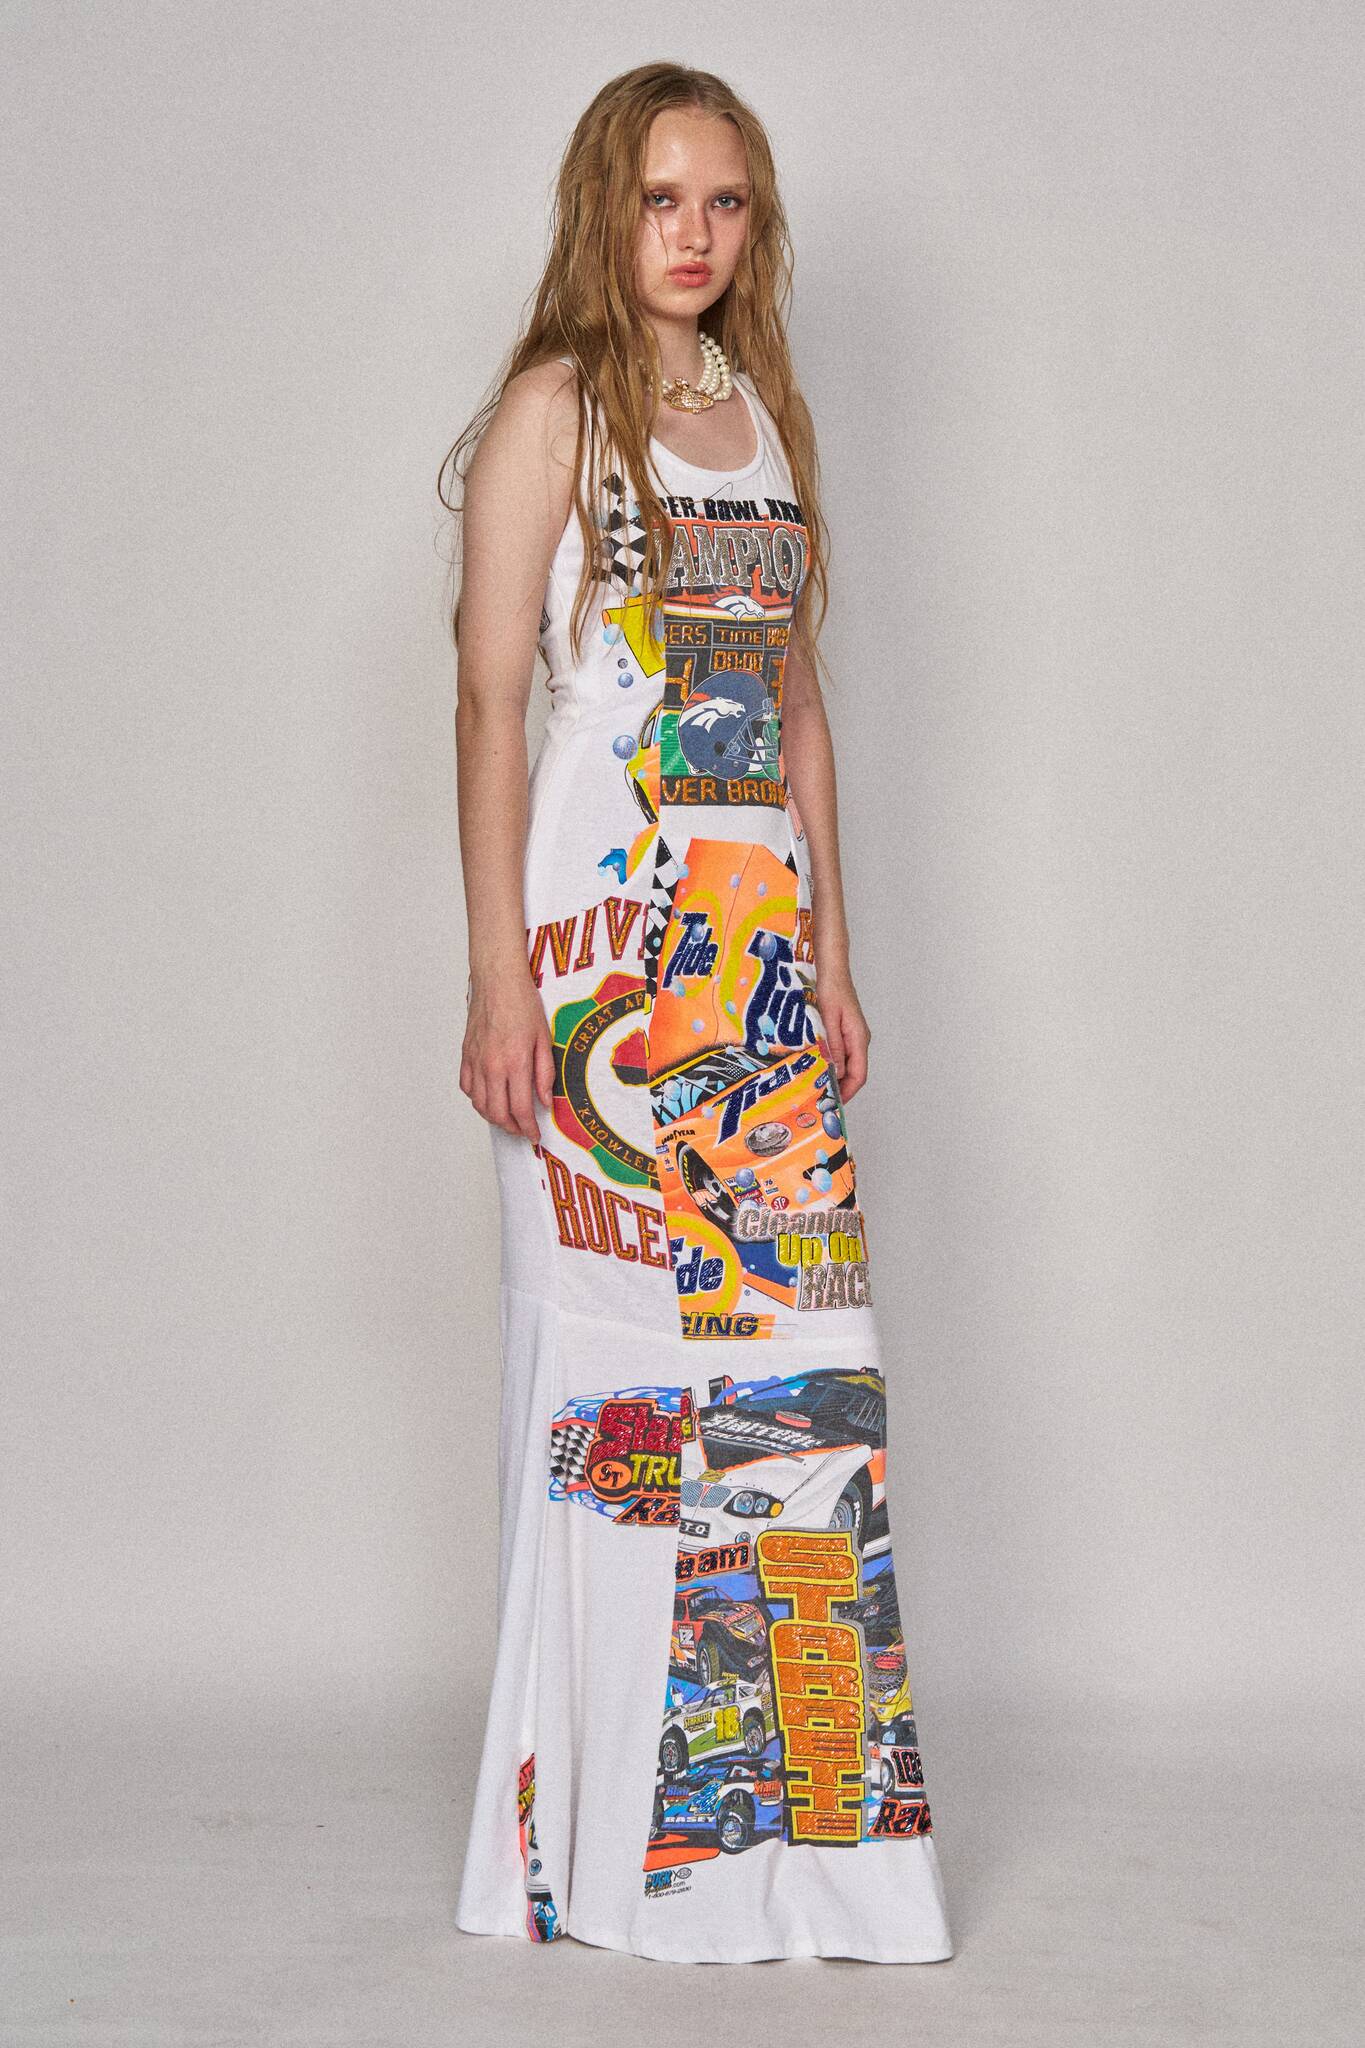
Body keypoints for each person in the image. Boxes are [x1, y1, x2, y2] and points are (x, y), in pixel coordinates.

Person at [439, 61, 954, 1964]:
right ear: (607, 208)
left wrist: (835, 955)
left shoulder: (762, 416)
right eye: (662, 199)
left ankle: (785, 1855)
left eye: (724, 203)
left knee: (795, 1385)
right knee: (627, 1395)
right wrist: (500, 977)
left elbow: (799, 709)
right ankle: (593, 1851)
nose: (693, 235)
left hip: (756, 967)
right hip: (600, 966)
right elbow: (490, 701)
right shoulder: (553, 414)